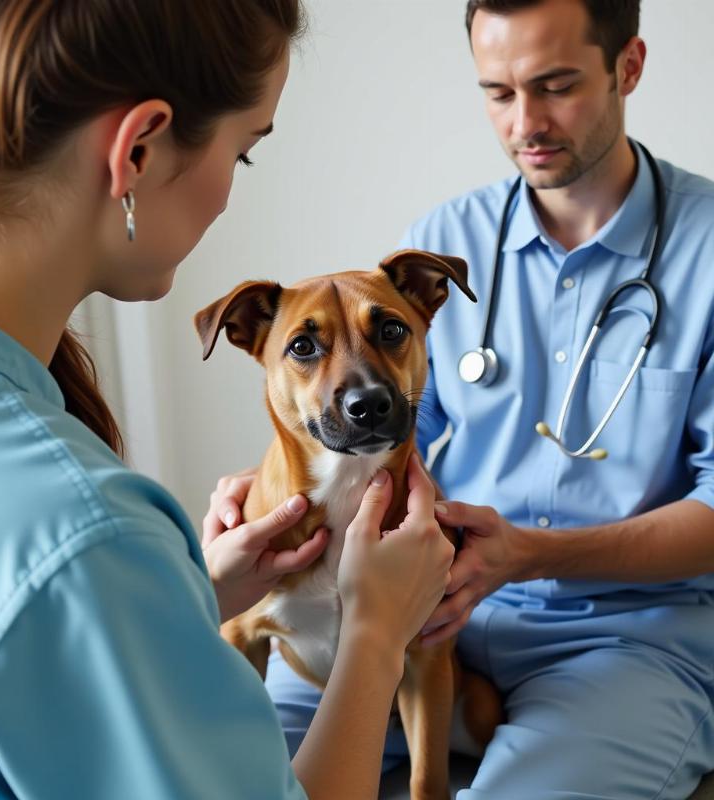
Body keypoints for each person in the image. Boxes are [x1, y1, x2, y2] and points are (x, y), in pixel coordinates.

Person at [0, 1, 456, 798]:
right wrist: (376, 636)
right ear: (137, 148)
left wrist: (182, 598)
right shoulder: (90, 540)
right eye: (244, 153)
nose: (230, 193)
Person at [210, 1, 714, 797]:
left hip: (623, 637)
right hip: (428, 611)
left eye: (555, 86)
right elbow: (387, 421)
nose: (526, 123)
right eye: (498, 93)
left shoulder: (707, 249)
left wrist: (527, 554)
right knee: (233, 777)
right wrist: (271, 490)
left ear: (629, 67)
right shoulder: (453, 238)